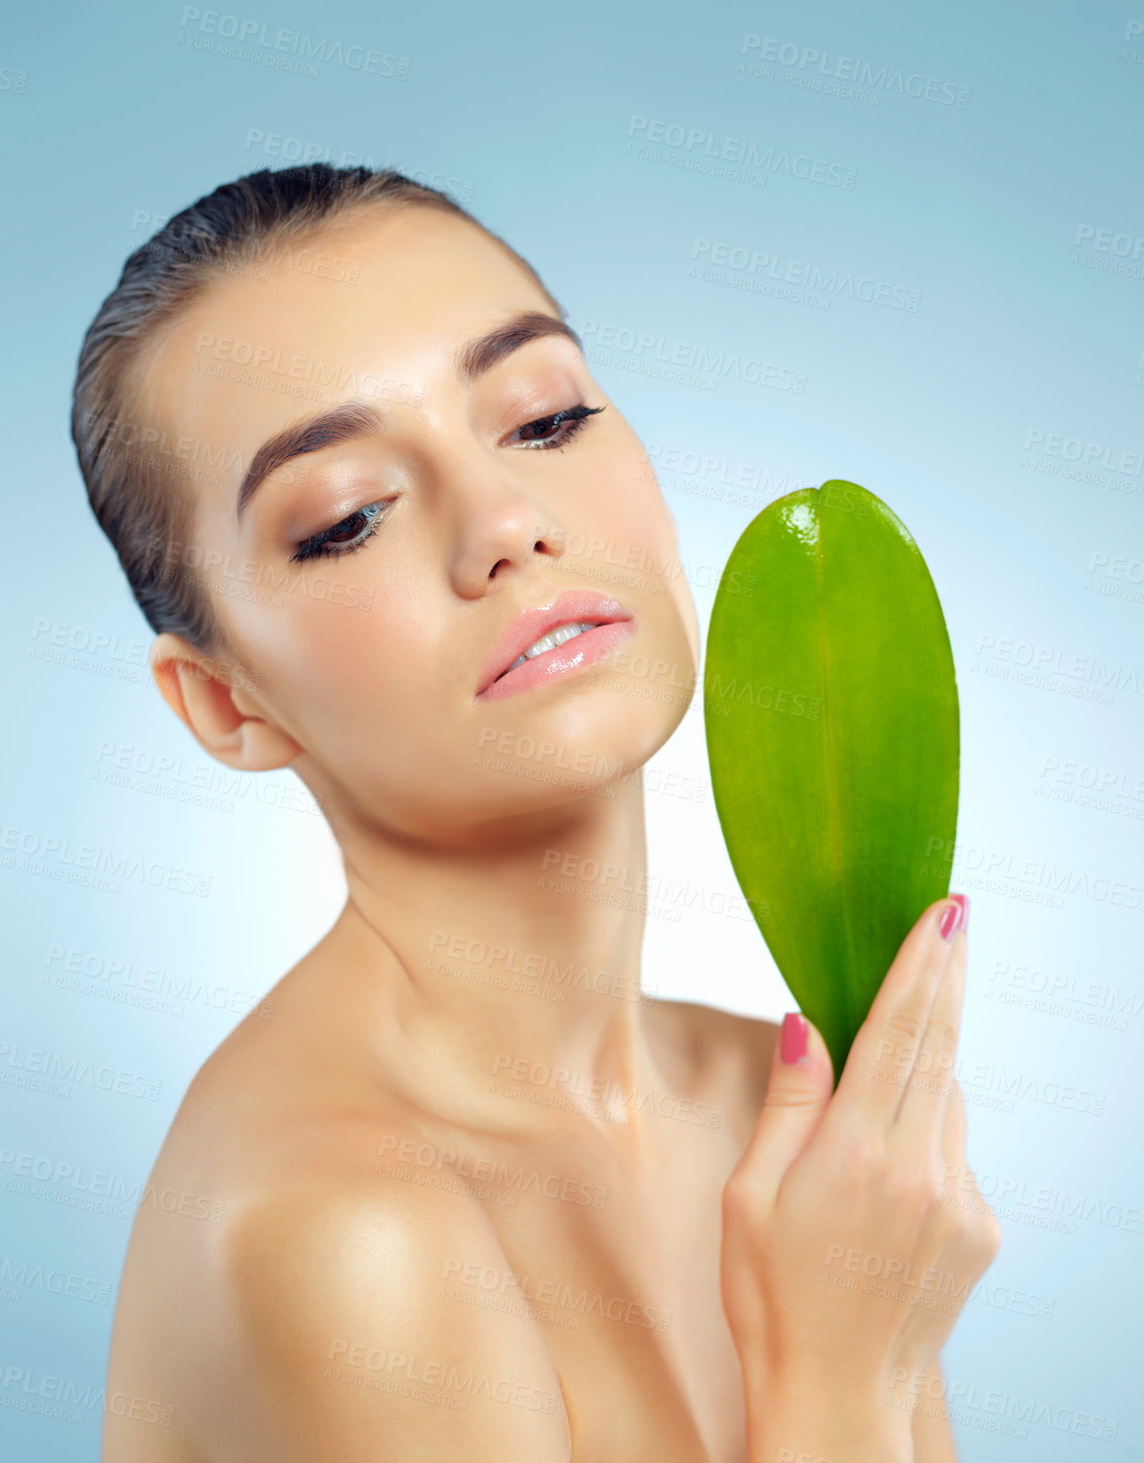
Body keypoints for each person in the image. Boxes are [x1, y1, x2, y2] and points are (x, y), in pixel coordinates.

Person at [70, 163, 1000, 1462]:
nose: (504, 524)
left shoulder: (767, 1110)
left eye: (543, 417)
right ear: (227, 705)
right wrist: (841, 1376)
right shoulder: (347, 1232)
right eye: (345, 520)